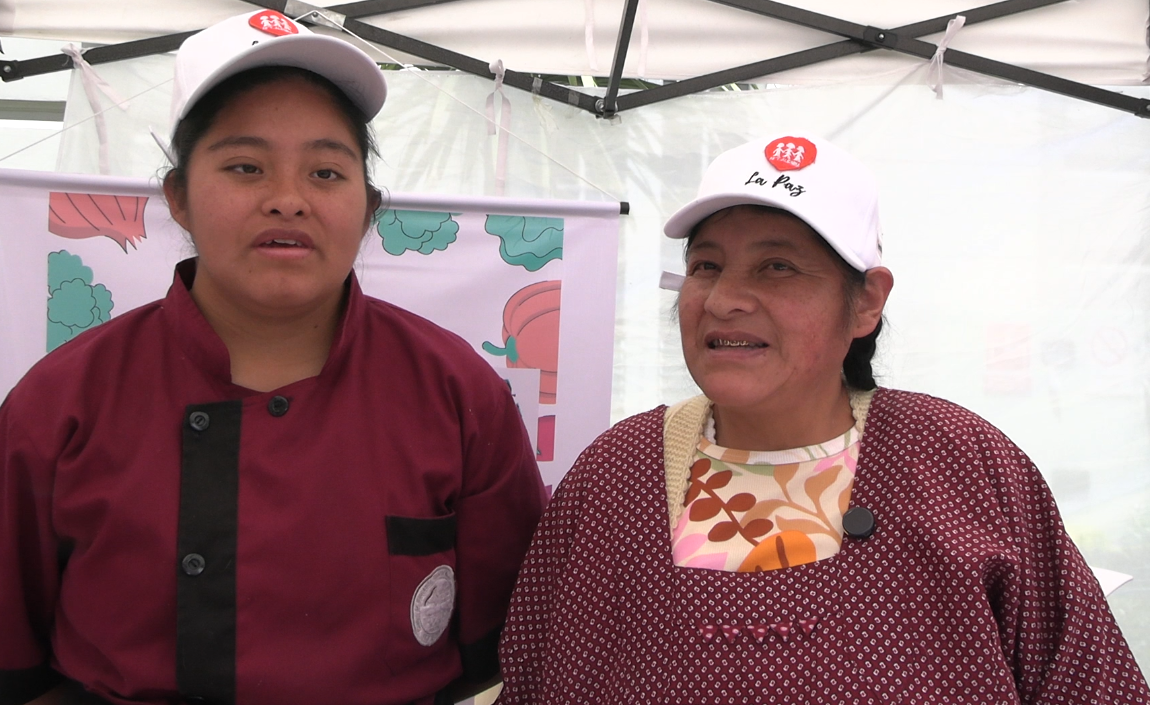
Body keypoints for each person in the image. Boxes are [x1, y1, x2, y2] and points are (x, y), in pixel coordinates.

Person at [0, 10, 544, 705]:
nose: (288, 200)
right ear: (178, 198)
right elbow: (15, 658)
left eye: (325, 171)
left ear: (368, 208)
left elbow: (508, 643)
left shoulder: (456, 390)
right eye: (246, 167)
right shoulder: (61, 399)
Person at [495, 134, 1150, 703]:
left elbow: (1089, 681)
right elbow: (531, 678)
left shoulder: (959, 460)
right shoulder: (617, 473)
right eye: (706, 266)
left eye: (777, 267)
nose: (723, 299)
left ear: (866, 301)